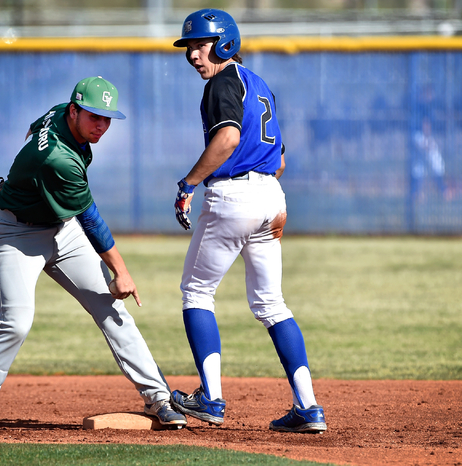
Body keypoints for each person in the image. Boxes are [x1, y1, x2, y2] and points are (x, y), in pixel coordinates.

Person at [0, 76, 187, 434]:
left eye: (107, 118)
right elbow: (91, 219)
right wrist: (121, 271)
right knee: (16, 321)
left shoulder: (59, 113)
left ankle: (159, 398)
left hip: (62, 228)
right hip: (17, 233)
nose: (101, 125)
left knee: (110, 310)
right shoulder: (60, 159)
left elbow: (33, 132)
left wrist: (24, 181)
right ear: (74, 110)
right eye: (94, 116)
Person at [169, 9, 327, 434]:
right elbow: (279, 160)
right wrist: (266, 197)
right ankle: (308, 407)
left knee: (196, 292)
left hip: (234, 194)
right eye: (189, 47)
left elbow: (229, 137)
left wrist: (189, 183)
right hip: (270, 197)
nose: (193, 55)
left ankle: (211, 399)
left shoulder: (223, 82)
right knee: (271, 304)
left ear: (225, 42)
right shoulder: (259, 85)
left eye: (201, 45)